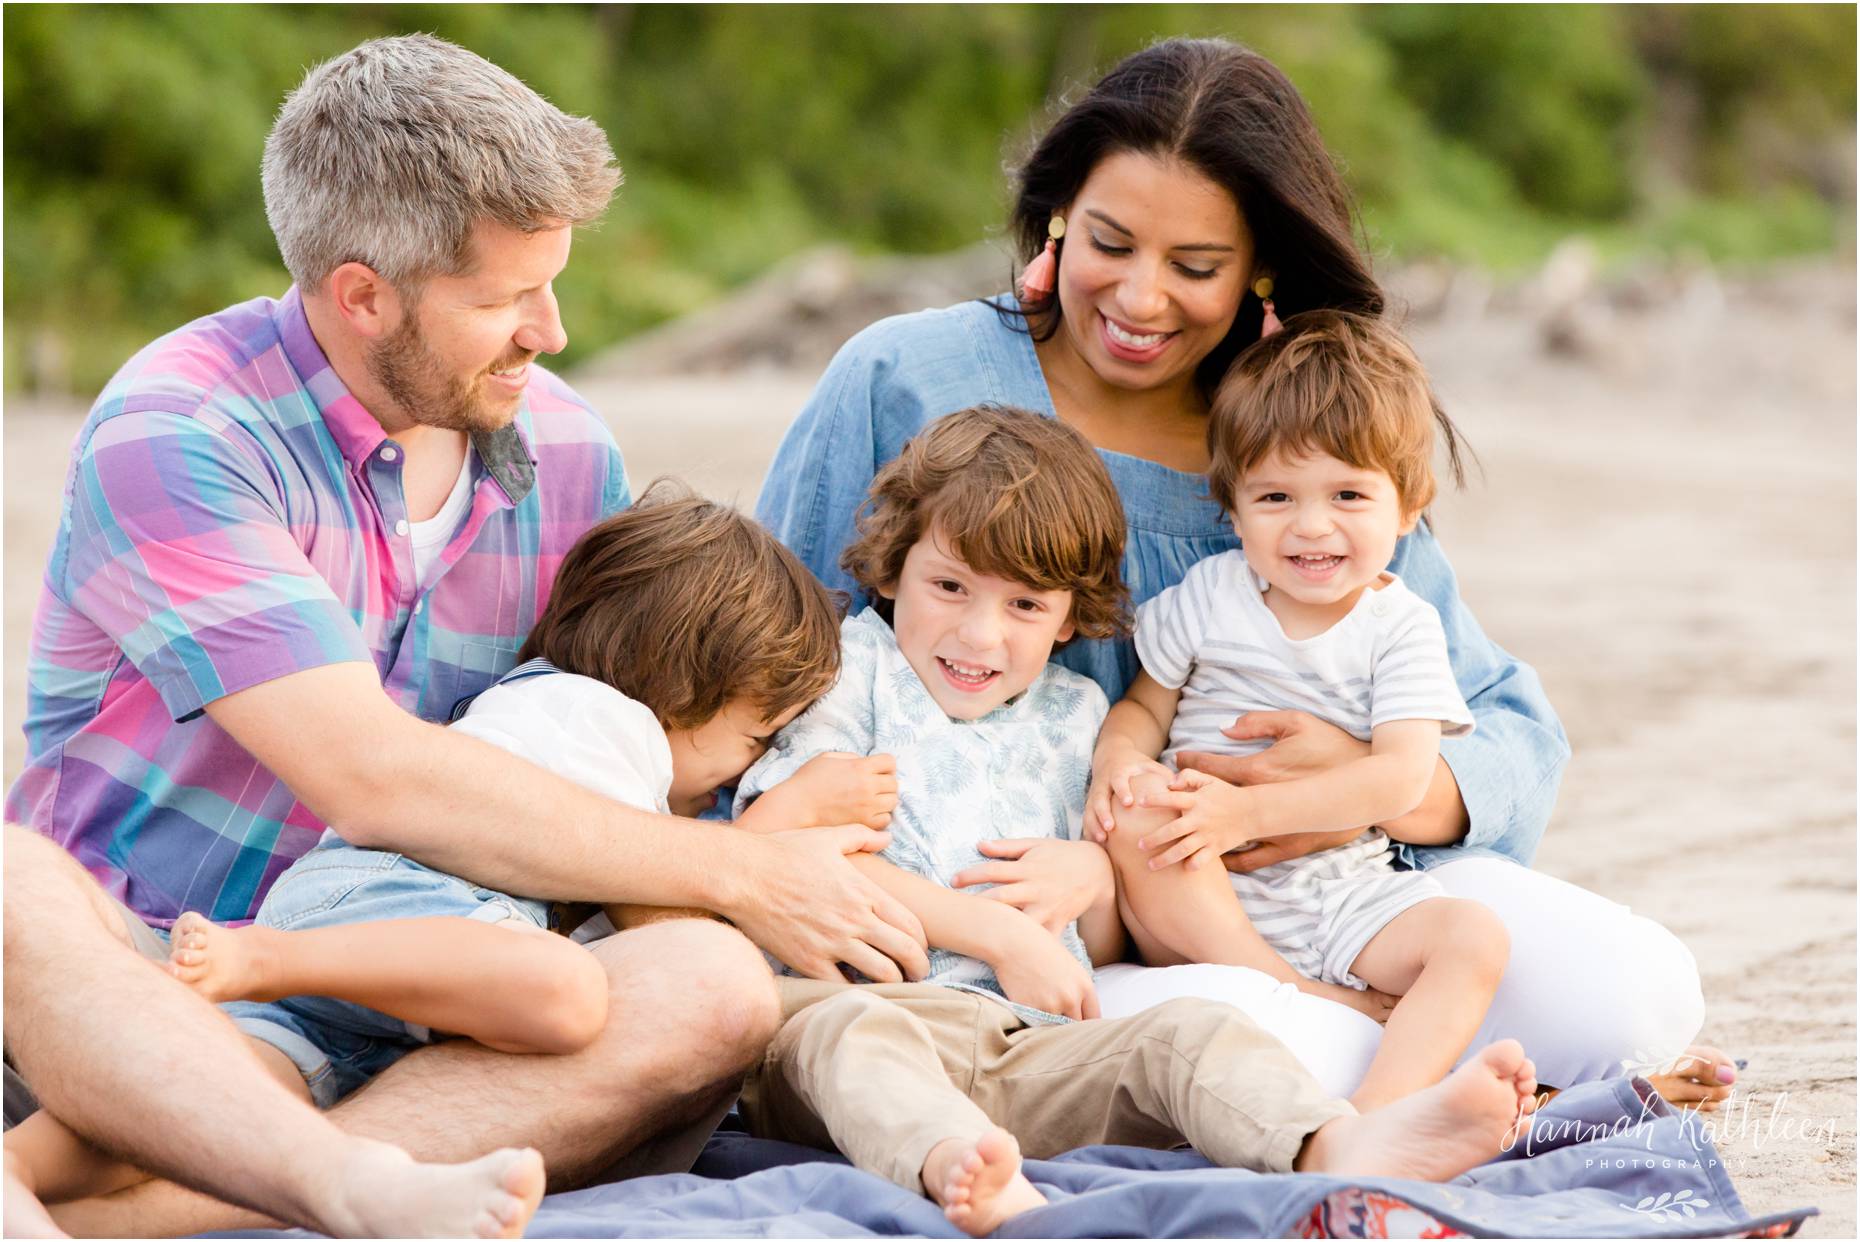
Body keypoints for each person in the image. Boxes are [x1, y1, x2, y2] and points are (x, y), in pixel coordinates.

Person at [5, 34, 929, 1240]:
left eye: (552, 282)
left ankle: (147, 1217)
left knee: (707, 989)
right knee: (12, 880)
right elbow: (368, 775)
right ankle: (328, 1188)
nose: (547, 329)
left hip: (431, 979)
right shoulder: (179, 432)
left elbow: (611, 748)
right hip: (143, 964)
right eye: (501, 299)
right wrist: (746, 871)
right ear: (362, 294)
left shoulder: (568, 451)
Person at [756, 35, 1730, 1105]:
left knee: (1634, 996)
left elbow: (1512, 731)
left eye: (1195, 267)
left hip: (1342, 887)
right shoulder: (905, 375)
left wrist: (1352, 785)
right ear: (1054, 220)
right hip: (1072, 922)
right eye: (1111, 243)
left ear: (1259, 266)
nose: (1139, 297)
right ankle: (1406, 1081)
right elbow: (772, 661)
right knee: (1275, 1062)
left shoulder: (1302, 431)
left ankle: (1413, 1067)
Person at [726, 406, 1540, 1237]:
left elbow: (1112, 944)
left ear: (1072, 617)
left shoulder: (1077, 715)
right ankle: (962, 1174)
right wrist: (998, 935)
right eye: (949, 586)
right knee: (847, 1038)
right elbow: (795, 858)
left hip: (1029, 1046)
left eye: (1025, 607)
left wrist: (1092, 880)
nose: (979, 633)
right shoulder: (850, 671)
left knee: (1189, 1033)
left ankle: (1340, 1146)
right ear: (894, 569)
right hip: (856, 1019)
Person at [5, 486, 856, 1225]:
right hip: (386, 907)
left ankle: (28, 1186)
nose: (743, 770)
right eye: (755, 738)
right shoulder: (595, 719)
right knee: (565, 994)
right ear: (688, 688)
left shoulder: (558, 710)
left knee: (197, 1105)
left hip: (358, 1007)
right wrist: (765, 838)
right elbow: (654, 908)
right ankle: (265, 958)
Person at [1090, 309, 1509, 1110]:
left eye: (1349, 494)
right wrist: (1119, 758)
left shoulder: (1401, 626)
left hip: (1341, 892)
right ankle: (1294, 991)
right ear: (1233, 510)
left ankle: (1379, 1117)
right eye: (1276, 495)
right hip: (1197, 884)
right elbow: (1144, 707)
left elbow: (1397, 779)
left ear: (1408, 508)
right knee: (1135, 815)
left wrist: (1245, 816)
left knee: (1474, 938)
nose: (1312, 526)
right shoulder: (1210, 597)